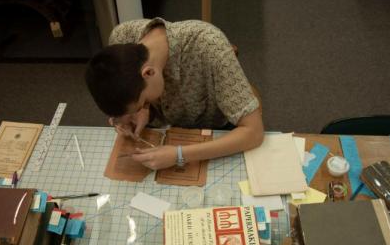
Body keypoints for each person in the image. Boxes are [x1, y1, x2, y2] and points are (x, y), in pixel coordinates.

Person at [85, 18, 264, 170]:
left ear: (148, 73)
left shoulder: (210, 46)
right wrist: (138, 113)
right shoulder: (121, 37)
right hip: (166, 128)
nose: (143, 106)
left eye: (144, 102)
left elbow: (254, 132)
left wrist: (179, 155)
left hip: (215, 131)